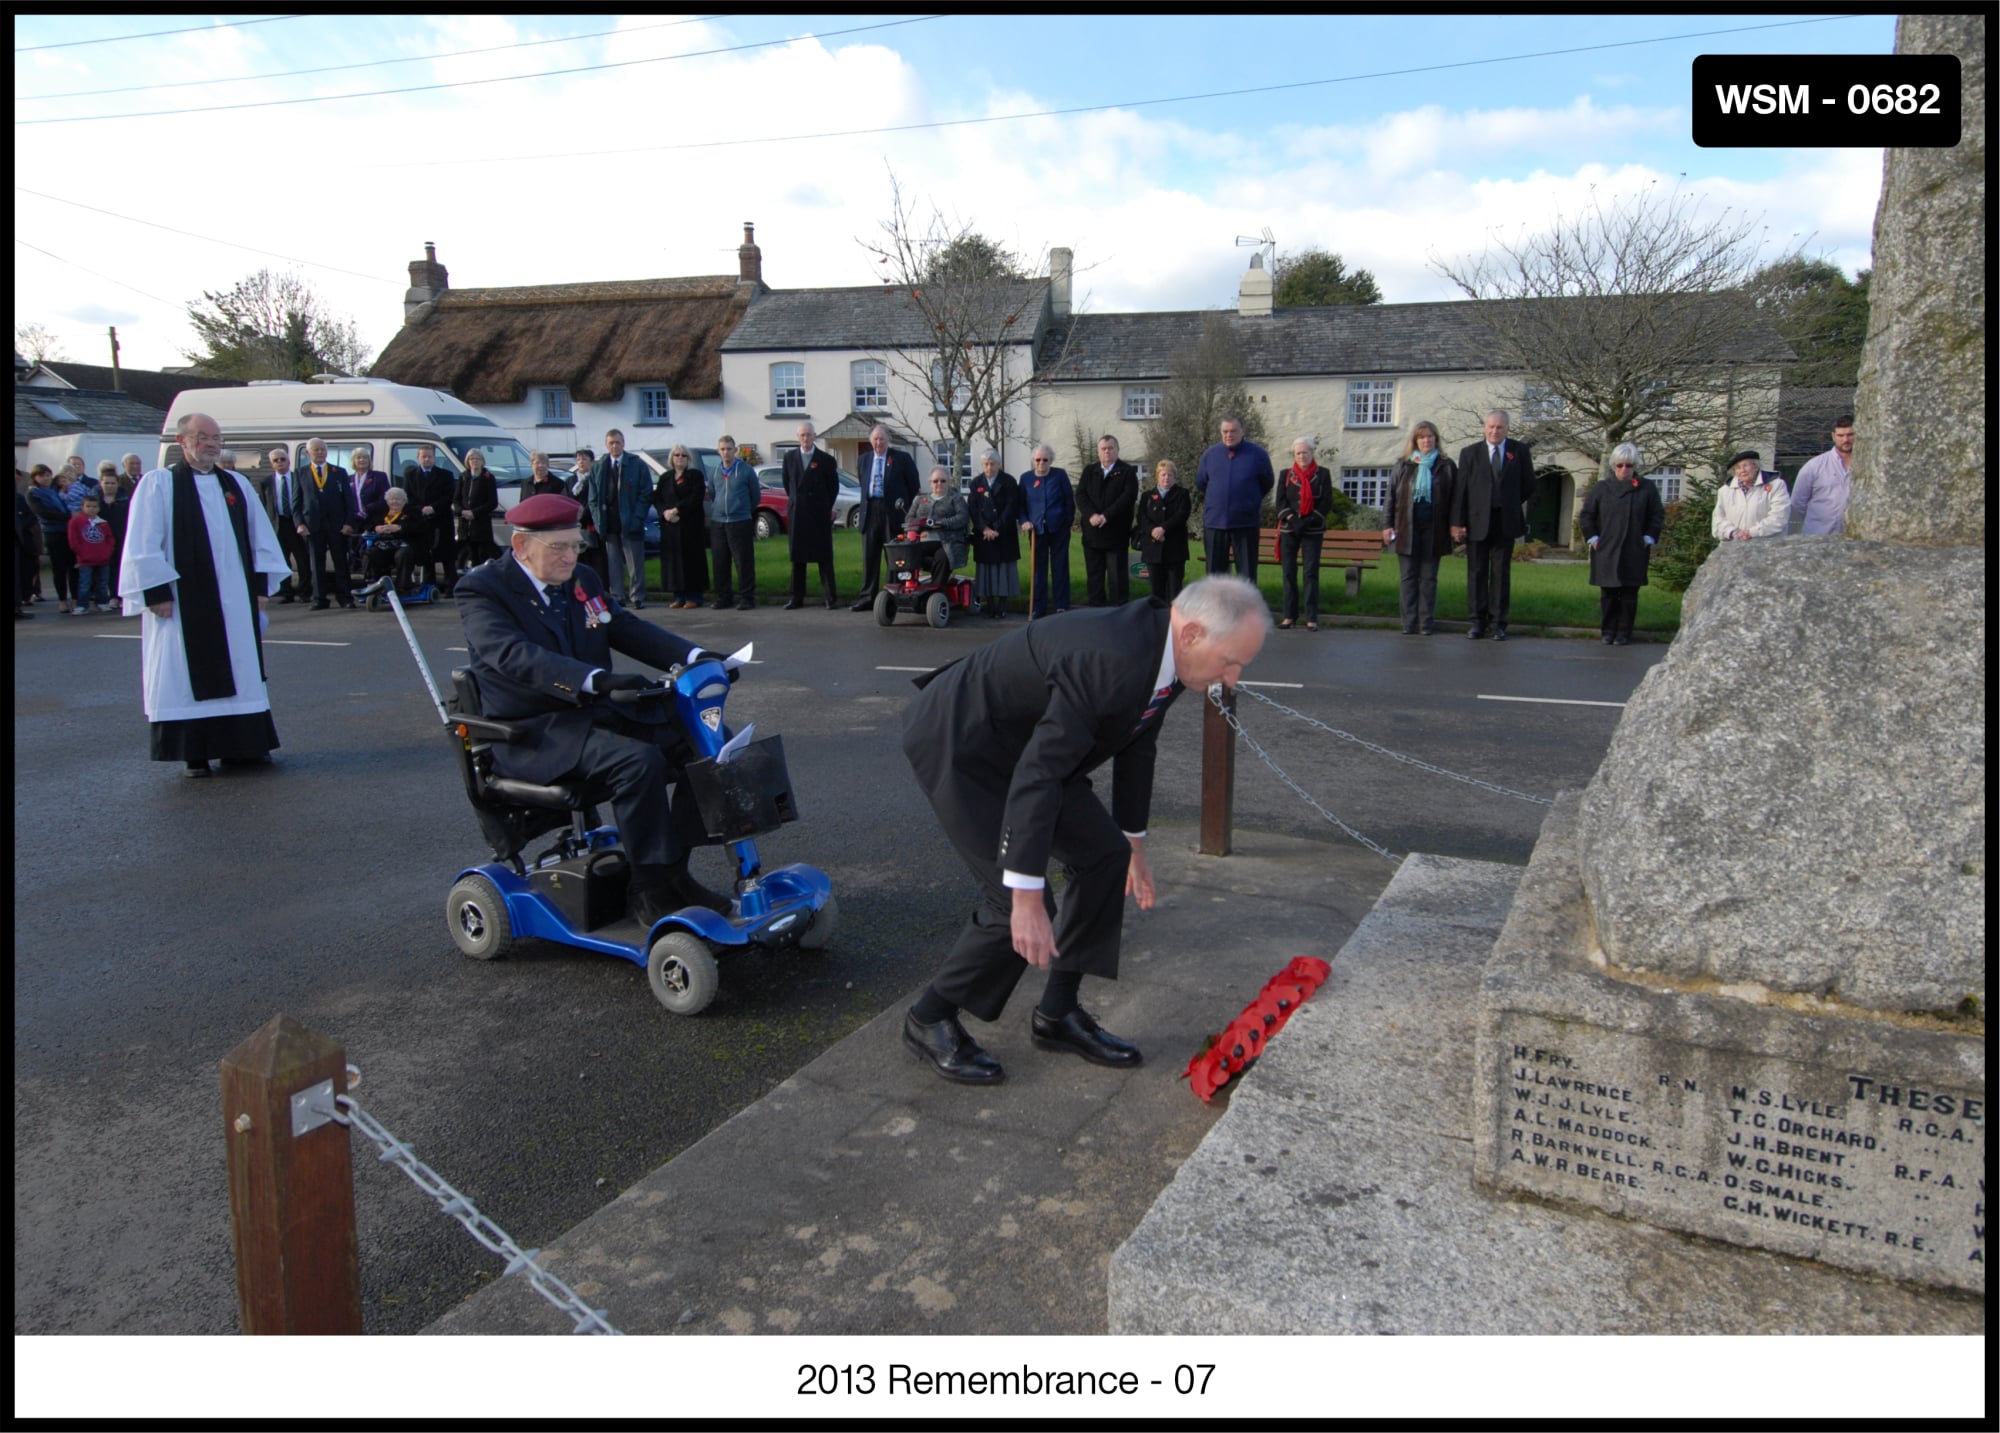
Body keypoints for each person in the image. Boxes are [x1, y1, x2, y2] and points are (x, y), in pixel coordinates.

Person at [899, 576, 1271, 1084]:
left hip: (1033, 744)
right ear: (1192, 635)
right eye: (1231, 662)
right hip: (964, 742)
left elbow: (1138, 741)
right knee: (1012, 901)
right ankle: (929, 1017)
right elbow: (1039, 775)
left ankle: (1056, 1015)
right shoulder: (1113, 658)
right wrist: (1027, 892)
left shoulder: (1169, 654)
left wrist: (1133, 842)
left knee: (1105, 856)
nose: (1232, 679)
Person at [455, 493, 731, 923]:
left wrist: (696, 657)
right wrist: (594, 680)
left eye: (576, 544)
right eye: (559, 547)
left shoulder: (581, 578)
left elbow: (621, 626)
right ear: (521, 546)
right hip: (534, 731)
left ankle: (674, 873)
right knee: (639, 763)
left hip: (591, 715)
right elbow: (511, 654)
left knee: (708, 743)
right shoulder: (482, 589)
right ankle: (648, 889)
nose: (571, 556)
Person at [118, 412, 288, 777]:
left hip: (235, 601)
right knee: (182, 670)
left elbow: (261, 540)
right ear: (182, 441)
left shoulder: (237, 486)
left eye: (216, 437)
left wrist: (259, 590)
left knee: (241, 668)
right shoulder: (158, 485)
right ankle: (194, 752)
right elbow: (142, 543)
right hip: (180, 602)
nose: (211, 443)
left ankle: (243, 747)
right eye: (202, 436)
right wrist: (156, 591)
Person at [1451, 409, 1536, 641]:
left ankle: (1498, 623)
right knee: (1476, 572)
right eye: (1490, 427)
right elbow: (1461, 490)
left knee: (1500, 574)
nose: (1494, 431)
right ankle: (1477, 622)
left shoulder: (1519, 451)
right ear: (1484, 428)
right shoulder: (1470, 453)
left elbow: (1529, 484)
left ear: (1507, 428)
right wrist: (1457, 522)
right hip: (1477, 521)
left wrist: (1508, 501)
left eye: (1499, 427)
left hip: (1505, 521)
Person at [1580, 443, 1666, 647]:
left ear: (1635, 466)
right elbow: (1587, 515)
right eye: (1619, 465)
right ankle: (1608, 631)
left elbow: (1657, 515)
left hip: (1634, 548)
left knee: (1629, 593)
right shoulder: (1602, 488)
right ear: (1613, 466)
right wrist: (1593, 538)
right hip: (1606, 548)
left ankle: (1624, 632)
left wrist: (1649, 537)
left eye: (1628, 465)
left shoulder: (1646, 488)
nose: (1624, 470)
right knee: (1608, 593)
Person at [1383, 420, 1459, 636]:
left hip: (1434, 529)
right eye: (1421, 437)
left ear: (1436, 439)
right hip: (1406, 528)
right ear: (1415, 441)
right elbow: (1391, 498)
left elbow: (1455, 500)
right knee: (1408, 577)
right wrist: (1387, 525)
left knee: (1428, 578)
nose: (1426, 440)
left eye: (1430, 436)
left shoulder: (1446, 465)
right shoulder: (1403, 465)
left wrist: (1455, 525)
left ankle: (1426, 623)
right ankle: (1408, 622)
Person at [1194, 416, 1275, 581]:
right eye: (1225, 431)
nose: (1228, 435)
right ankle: (1217, 606)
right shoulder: (1210, 454)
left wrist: (1247, 500)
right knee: (1215, 574)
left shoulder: (1258, 454)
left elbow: (1267, 483)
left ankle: (1245, 607)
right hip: (1215, 522)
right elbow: (1201, 483)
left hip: (1245, 523)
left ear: (1242, 431)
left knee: (1247, 574)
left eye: (1233, 431)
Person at [850, 424, 921, 610]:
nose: (878, 442)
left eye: (881, 438)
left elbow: (913, 484)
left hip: (893, 512)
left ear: (888, 440)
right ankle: (867, 598)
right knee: (869, 557)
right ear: (870, 441)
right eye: (875, 439)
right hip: (871, 511)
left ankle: (893, 597)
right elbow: (863, 483)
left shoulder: (901, 459)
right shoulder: (863, 460)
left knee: (894, 556)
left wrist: (903, 506)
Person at [1274, 437, 1335, 631]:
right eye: (1298, 453)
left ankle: (1311, 618)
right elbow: (1280, 502)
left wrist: (1309, 520)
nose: (1302, 456)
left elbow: (1326, 501)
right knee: (1289, 573)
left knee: (1310, 573)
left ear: (1312, 453)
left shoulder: (1323, 474)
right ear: (1294, 454)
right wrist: (1293, 519)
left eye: (1305, 452)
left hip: (1313, 529)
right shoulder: (1286, 475)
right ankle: (1288, 616)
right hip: (1289, 530)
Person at [588, 429, 652, 609]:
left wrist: (638, 516)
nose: (614, 446)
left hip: (630, 518)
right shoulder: (599, 466)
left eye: (617, 442)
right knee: (613, 561)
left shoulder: (636, 464)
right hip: (609, 519)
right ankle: (617, 595)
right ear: (606, 445)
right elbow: (593, 498)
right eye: (611, 443)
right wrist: (597, 518)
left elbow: (646, 493)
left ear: (623, 443)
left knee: (634, 561)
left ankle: (637, 596)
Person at [781, 422, 840, 610]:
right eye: (802, 435)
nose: (805, 439)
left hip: (818, 515)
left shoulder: (826, 460)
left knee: (824, 558)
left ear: (815, 436)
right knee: (798, 559)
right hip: (798, 514)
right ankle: (796, 598)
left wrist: (823, 506)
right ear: (798, 437)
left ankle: (830, 598)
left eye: (809, 435)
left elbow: (833, 487)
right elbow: (787, 483)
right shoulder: (789, 458)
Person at [294, 436, 358, 610]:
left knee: (340, 563)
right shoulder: (301, 473)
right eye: (316, 449)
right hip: (313, 526)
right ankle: (319, 599)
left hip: (337, 525)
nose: (320, 452)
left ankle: (345, 597)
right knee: (316, 564)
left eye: (322, 449)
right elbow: (296, 502)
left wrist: (348, 523)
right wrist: (299, 523)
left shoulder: (339, 472)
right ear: (308, 453)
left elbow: (349, 500)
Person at [1076, 434, 1139, 607]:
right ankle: (1096, 611)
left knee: (1117, 578)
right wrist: (1091, 515)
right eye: (1103, 449)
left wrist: (1106, 515)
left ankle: (1119, 612)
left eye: (1110, 448)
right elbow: (1081, 495)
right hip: (1092, 534)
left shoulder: (1127, 472)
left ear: (1117, 450)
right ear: (1098, 452)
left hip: (1115, 534)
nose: (1107, 452)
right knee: (1094, 576)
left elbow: (1128, 497)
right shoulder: (1090, 471)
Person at [1019, 443, 1074, 617]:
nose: (1041, 463)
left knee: (1060, 567)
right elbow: (1021, 505)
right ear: (1033, 461)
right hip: (1036, 530)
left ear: (1050, 460)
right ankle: (1038, 606)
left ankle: (1061, 604)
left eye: (1045, 460)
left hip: (1058, 529)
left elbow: (1069, 502)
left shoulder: (1060, 475)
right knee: (1038, 569)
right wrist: (1025, 521)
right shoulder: (1026, 478)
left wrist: (1066, 523)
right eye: (1038, 460)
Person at [705, 435, 758, 611]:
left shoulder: (746, 470)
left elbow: (755, 496)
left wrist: (741, 509)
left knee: (743, 562)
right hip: (718, 521)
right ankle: (723, 597)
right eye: (722, 449)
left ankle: (746, 598)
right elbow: (712, 493)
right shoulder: (714, 472)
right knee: (720, 561)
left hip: (740, 520)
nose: (726, 452)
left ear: (735, 450)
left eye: (729, 448)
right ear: (718, 451)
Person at [967, 450, 1021, 619]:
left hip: (1004, 534)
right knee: (987, 572)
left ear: (998, 464)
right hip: (984, 535)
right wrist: (984, 529)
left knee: (1003, 571)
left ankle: (1002, 606)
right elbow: (973, 510)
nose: (988, 467)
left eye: (992, 464)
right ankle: (990, 605)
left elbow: (1011, 507)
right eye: (985, 464)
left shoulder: (1009, 481)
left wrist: (997, 528)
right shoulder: (976, 483)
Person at [653, 444, 708, 608]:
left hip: (690, 526)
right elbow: (657, 498)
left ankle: (694, 596)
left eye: (684, 455)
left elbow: (695, 497)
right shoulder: (665, 477)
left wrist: (677, 510)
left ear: (688, 459)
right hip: (671, 528)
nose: (680, 458)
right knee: (674, 563)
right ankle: (678, 596)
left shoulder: (695, 476)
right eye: (677, 455)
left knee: (691, 561)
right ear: (672, 458)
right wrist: (665, 513)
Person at [1787, 414, 1855, 536]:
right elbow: (1797, 505)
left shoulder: (1868, 467)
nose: (1845, 440)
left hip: (1855, 538)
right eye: (1841, 435)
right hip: (1818, 538)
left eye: (1850, 435)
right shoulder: (1813, 467)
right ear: (1833, 436)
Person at [403, 442, 457, 592]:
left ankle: (450, 587)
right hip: (421, 521)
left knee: (447, 556)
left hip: (441, 520)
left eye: (430, 457)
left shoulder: (445, 475)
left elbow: (448, 496)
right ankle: (429, 586)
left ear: (434, 458)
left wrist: (433, 508)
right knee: (426, 556)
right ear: (418, 458)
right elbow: (407, 497)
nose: (427, 459)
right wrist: (421, 509)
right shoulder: (410, 475)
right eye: (424, 457)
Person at [904, 467, 970, 587]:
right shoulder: (920, 500)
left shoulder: (956, 498)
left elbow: (963, 517)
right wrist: (922, 523)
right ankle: (909, 586)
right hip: (923, 540)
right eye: (935, 481)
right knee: (906, 554)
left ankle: (936, 591)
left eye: (943, 481)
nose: (939, 484)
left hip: (948, 542)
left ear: (948, 482)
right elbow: (909, 519)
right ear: (930, 483)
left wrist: (941, 523)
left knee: (942, 557)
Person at [1137, 460, 1192, 603]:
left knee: (1175, 591)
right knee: (1156, 591)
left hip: (1174, 550)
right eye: (1163, 475)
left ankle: (1173, 622)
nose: (1166, 478)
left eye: (1170, 475)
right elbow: (1142, 517)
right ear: (1157, 476)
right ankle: (1157, 621)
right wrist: (1153, 531)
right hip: (1153, 549)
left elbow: (1182, 515)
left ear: (1175, 477)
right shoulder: (1147, 496)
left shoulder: (1182, 494)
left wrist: (1163, 529)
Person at [28, 464, 79, 612]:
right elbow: (43, 512)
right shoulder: (33, 493)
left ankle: (75, 599)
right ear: (35, 477)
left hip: (69, 531)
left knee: (74, 567)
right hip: (53, 533)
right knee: (59, 568)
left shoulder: (55, 490)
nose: (46, 478)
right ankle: (62, 600)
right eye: (42, 475)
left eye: (48, 475)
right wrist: (68, 516)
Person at [260, 447, 309, 603]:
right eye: (276, 460)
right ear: (272, 464)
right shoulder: (266, 482)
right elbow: (263, 504)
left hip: (296, 523)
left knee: (303, 560)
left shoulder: (299, 478)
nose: (280, 462)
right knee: (282, 561)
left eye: (283, 459)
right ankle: (286, 592)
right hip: (278, 525)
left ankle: (304, 592)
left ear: (289, 461)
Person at [1711, 450, 1790, 543]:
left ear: (1756, 466)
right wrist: (1733, 532)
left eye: (1745, 465)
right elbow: (1717, 521)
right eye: (1737, 468)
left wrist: (1751, 533)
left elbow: (1779, 518)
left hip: (1767, 546)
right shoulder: (1725, 491)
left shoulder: (1776, 485)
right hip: (1733, 547)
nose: (1742, 470)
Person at [362, 486, 428, 594]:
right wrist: (376, 528)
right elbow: (367, 524)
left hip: (407, 545)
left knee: (402, 554)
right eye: (391, 499)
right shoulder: (381, 511)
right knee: (370, 553)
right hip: (385, 545)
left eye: (398, 499)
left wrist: (401, 528)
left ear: (404, 501)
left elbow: (421, 527)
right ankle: (374, 584)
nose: (394, 502)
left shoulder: (413, 511)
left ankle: (402, 587)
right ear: (387, 501)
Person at [67, 494, 117, 613]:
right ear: (83, 507)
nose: (91, 509)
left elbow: (110, 539)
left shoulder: (103, 522)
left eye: (94, 506)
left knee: (102, 582)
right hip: (85, 559)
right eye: (88, 506)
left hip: (103, 558)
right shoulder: (75, 521)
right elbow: (73, 540)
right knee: (85, 583)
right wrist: (82, 553)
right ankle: (82, 605)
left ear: (98, 508)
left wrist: (107, 552)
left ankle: (102, 602)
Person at [455, 448, 500, 575]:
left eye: (477, 458)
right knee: (467, 552)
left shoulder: (488, 478)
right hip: (464, 524)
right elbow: (456, 499)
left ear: (482, 461)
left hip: (481, 524)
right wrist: (461, 511)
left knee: (481, 554)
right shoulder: (463, 477)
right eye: (471, 458)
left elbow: (492, 502)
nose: (474, 461)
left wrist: (474, 513)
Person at [349, 445, 391, 581]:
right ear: (354, 461)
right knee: (356, 555)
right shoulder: (348, 479)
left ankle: (377, 581)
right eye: (359, 458)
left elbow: (385, 498)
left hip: (374, 521)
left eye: (365, 457)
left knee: (373, 554)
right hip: (355, 523)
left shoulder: (379, 476)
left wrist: (366, 510)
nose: (362, 460)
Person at [568, 448, 609, 587]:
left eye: (584, 459)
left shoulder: (596, 478)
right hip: (574, 525)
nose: (581, 462)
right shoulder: (571, 480)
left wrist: (582, 514)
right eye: (578, 459)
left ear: (592, 462)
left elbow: (594, 500)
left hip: (591, 524)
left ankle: (598, 586)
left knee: (595, 559)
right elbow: (565, 499)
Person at [98, 463, 134, 599]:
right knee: (102, 569)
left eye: (112, 483)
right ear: (100, 483)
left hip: (121, 537)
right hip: (101, 540)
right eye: (106, 483)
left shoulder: (125, 499)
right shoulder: (95, 500)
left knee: (118, 568)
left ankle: (117, 595)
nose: (109, 486)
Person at [13, 469, 39, 619]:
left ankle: (17, 606)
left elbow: (29, 515)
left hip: (18, 538)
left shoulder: (18, 497)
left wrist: (21, 526)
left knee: (18, 575)